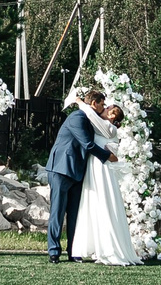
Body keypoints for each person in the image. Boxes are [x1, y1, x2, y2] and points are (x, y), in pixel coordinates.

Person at [43, 86, 117, 262]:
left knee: (75, 213)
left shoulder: (90, 120)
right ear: (94, 103)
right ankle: (54, 251)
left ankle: (73, 251)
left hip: (78, 171)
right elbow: (87, 144)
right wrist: (108, 157)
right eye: (102, 104)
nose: (103, 108)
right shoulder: (77, 117)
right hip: (62, 168)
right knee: (58, 211)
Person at [71, 98, 142, 265]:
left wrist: (80, 102)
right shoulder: (104, 127)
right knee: (92, 203)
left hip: (101, 169)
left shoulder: (109, 129)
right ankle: (92, 246)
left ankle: (109, 249)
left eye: (106, 107)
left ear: (111, 114)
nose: (103, 107)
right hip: (94, 168)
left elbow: (91, 115)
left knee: (103, 203)